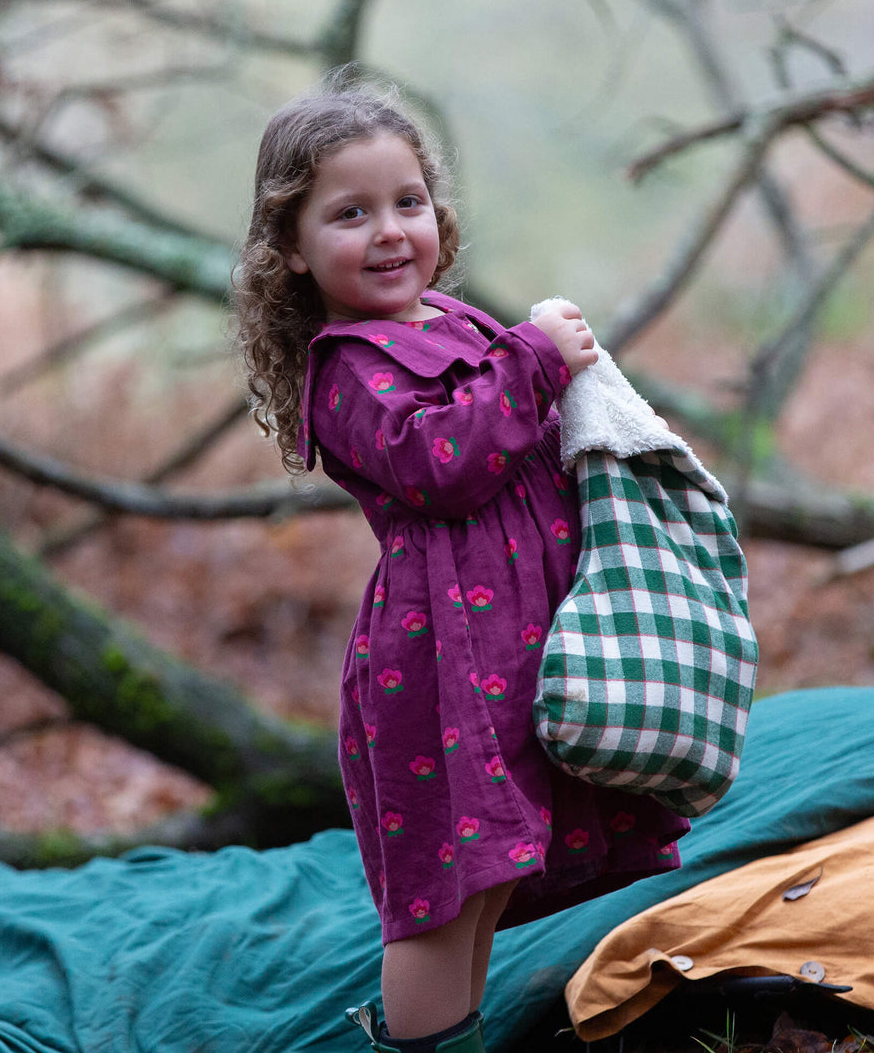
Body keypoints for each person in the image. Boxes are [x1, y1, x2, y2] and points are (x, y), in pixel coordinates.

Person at [235, 72, 690, 1053]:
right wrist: (534, 360)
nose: (390, 230)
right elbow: (440, 461)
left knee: (498, 877)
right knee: (447, 893)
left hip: (521, 648)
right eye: (350, 214)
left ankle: (465, 1033)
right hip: (441, 664)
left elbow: (536, 440)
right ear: (294, 254)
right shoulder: (343, 371)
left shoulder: (455, 324)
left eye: (407, 203)